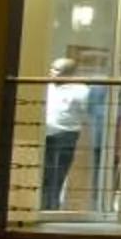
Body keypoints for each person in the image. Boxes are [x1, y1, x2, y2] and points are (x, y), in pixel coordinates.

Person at [40, 57, 91, 210]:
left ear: (68, 74)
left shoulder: (81, 91)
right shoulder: (46, 86)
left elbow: (88, 113)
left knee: (58, 175)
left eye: (56, 70)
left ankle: (51, 208)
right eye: (51, 68)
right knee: (45, 174)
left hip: (66, 135)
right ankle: (43, 206)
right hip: (45, 134)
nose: (51, 72)